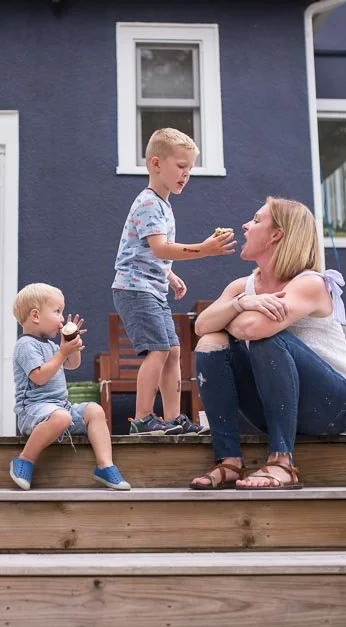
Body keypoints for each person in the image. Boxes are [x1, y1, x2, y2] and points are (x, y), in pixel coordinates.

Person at [189, 196, 346, 490]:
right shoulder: (241, 287)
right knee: (212, 341)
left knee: (266, 338)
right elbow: (201, 326)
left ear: (277, 234)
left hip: (335, 407)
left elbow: (255, 328)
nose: (246, 226)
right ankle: (229, 461)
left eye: (257, 220)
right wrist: (243, 303)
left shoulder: (310, 282)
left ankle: (282, 462)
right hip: (277, 408)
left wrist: (233, 316)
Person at [111, 127, 236, 435]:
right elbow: (160, 248)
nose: (187, 174)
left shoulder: (164, 205)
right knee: (158, 349)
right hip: (135, 289)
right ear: (156, 164)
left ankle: (171, 419)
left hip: (151, 288)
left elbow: (148, 252)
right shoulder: (149, 203)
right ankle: (142, 418)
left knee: (174, 350)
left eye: (190, 169)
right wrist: (204, 250)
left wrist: (169, 275)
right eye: (181, 166)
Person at [9, 283, 131, 491]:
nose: (62, 318)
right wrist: (62, 352)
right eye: (57, 311)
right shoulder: (25, 345)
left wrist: (72, 346)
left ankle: (105, 465)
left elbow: (73, 365)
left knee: (94, 410)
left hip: (60, 410)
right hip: (32, 411)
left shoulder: (52, 345)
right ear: (36, 315)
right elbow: (39, 377)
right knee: (62, 417)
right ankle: (24, 460)